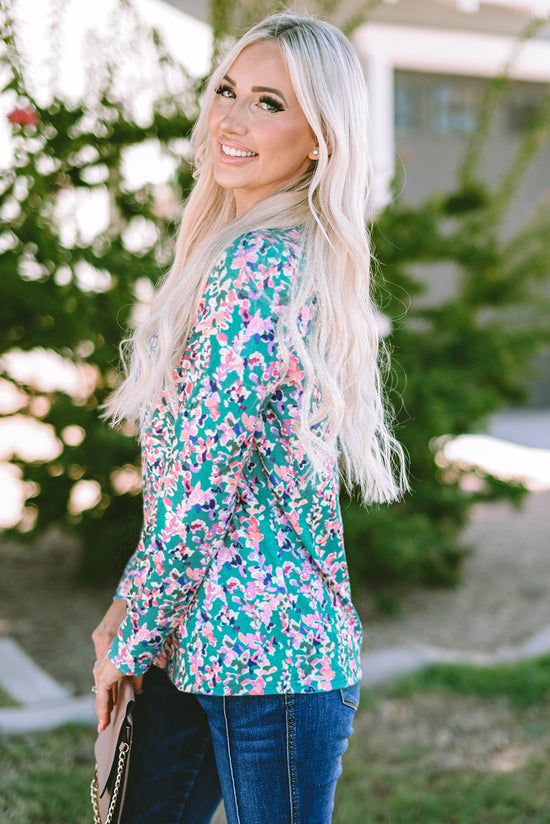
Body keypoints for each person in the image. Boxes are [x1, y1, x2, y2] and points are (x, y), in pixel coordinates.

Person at [92, 11, 407, 824]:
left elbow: (201, 482)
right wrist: (144, 622)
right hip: (195, 646)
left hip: (274, 666)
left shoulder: (261, 264)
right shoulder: (237, 249)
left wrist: (127, 628)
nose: (230, 118)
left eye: (270, 103)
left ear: (319, 139)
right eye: (229, 90)